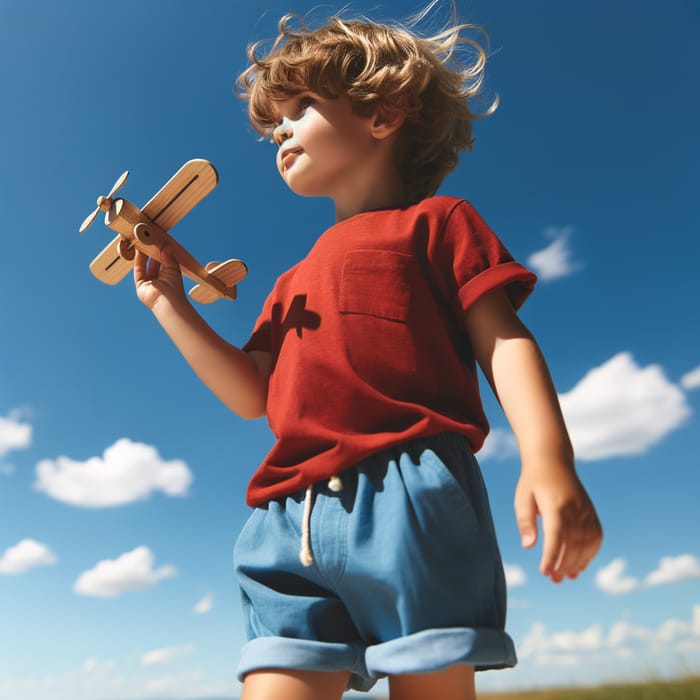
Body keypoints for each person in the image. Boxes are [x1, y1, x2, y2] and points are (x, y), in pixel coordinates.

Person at [133, 8, 602, 700]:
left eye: (300, 107)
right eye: (274, 123)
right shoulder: (289, 283)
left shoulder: (441, 224)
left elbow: (503, 340)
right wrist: (168, 301)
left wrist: (549, 458)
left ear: (383, 113)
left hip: (411, 497)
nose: (281, 130)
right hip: (284, 517)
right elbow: (251, 395)